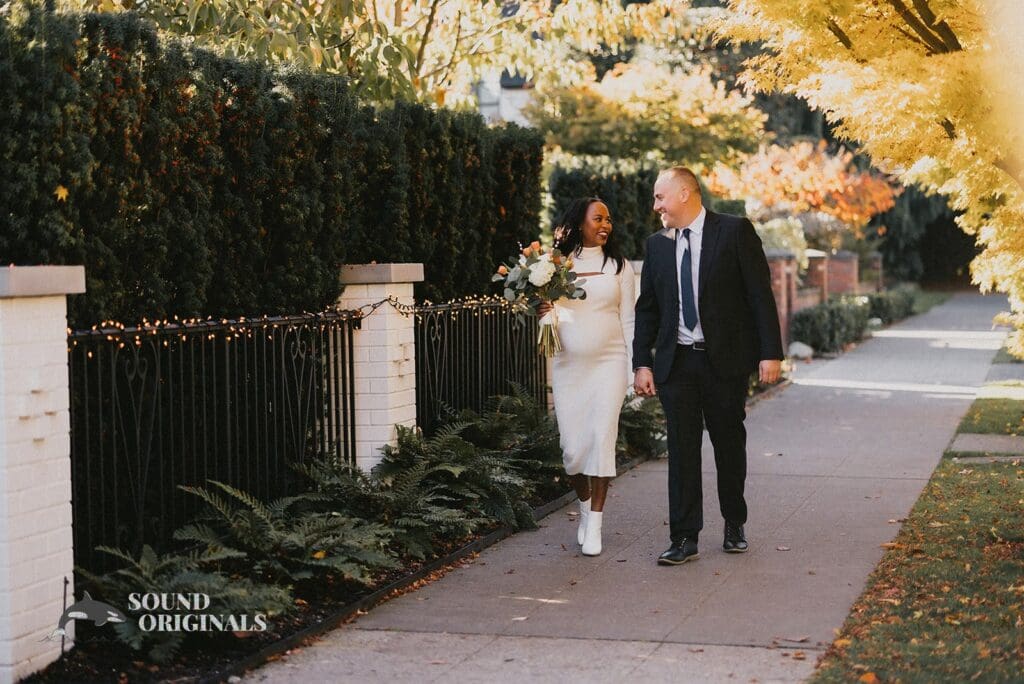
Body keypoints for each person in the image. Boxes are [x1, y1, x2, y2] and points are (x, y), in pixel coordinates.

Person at [632, 167, 782, 566]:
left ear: (684, 194)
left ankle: (734, 522)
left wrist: (771, 353)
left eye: (660, 197)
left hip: (724, 363)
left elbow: (759, 295)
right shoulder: (657, 246)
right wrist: (641, 363)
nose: (655, 206)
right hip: (676, 363)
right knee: (681, 450)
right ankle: (683, 538)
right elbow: (647, 309)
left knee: (728, 444)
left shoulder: (733, 232)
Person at [539, 197, 635, 556]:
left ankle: (595, 522)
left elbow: (629, 320)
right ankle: (583, 507)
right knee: (572, 451)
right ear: (580, 223)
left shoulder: (620, 267)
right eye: (598, 218)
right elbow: (548, 319)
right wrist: (544, 311)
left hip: (609, 364)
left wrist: (632, 369)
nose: (605, 224)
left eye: (609, 219)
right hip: (569, 368)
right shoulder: (556, 266)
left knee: (601, 440)